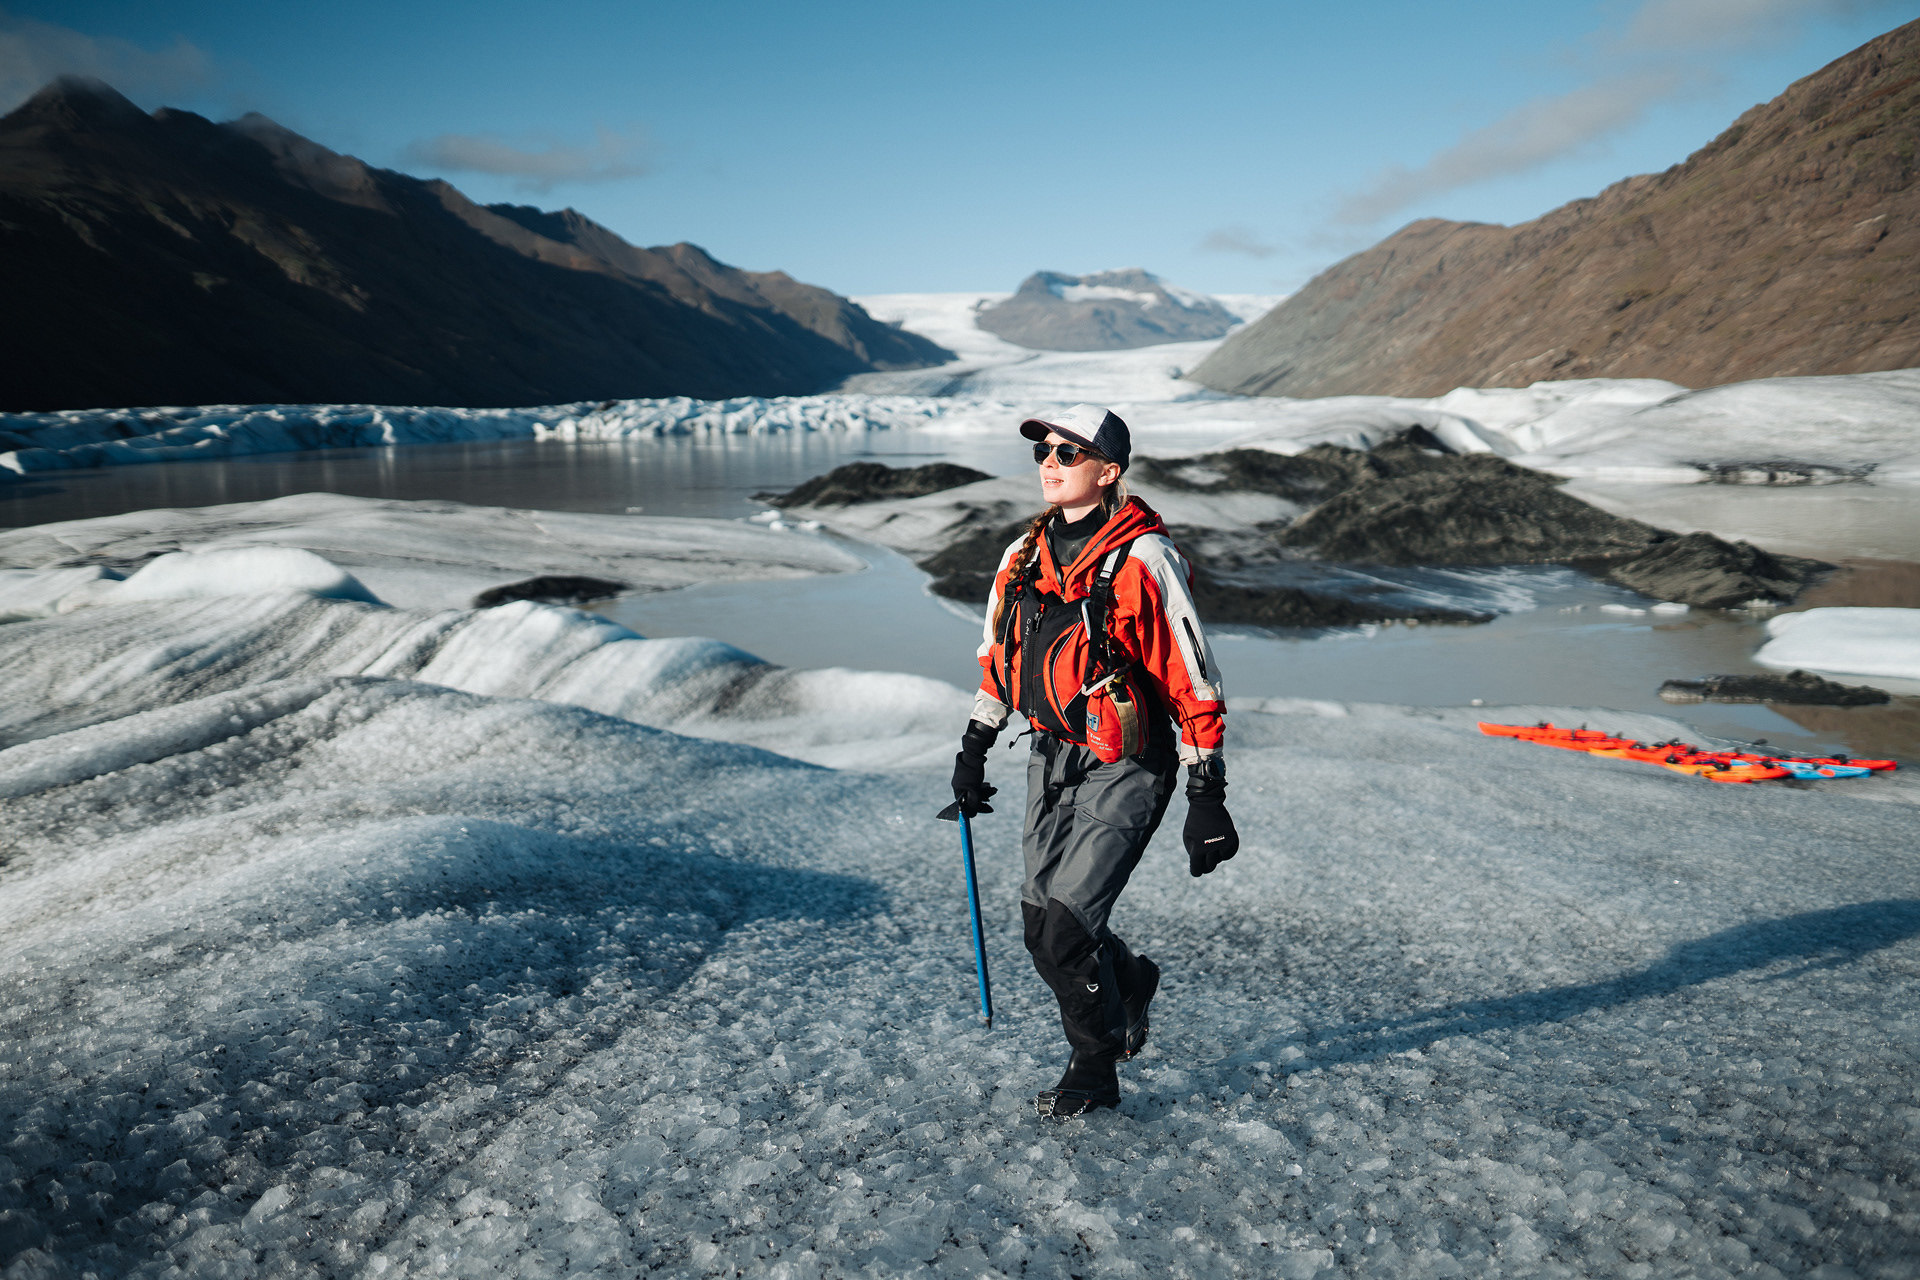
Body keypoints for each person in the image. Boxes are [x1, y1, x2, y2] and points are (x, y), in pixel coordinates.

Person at [944, 403, 1239, 1118]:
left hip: (1128, 763)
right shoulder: (1021, 558)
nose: (1050, 462)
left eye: (1068, 453)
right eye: (1043, 450)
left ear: (1109, 472)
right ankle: (1131, 981)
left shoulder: (1145, 560)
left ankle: (1094, 1071)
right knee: (1041, 930)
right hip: (1049, 758)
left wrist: (1208, 792)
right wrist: (973, 747)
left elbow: (1191, 678)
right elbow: (1000, 664)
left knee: (1070, 931)